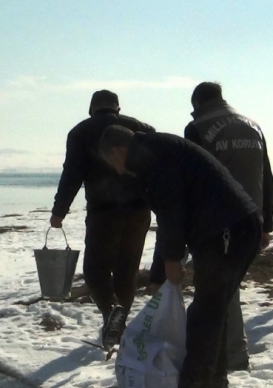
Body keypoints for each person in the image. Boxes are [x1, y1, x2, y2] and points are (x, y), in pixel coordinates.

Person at [100, 125, 264, 388]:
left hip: (228, 230)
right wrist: (158, 276)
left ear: (119, 150)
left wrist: (172, 261)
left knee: (204, 314)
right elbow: (166, 220)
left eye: (113, 162)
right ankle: (214, 382)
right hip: (233, 228)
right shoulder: (152, 153)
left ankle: (195, 382)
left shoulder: (152, 158)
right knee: (212, 310)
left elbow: (172, 211)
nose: (118, 170)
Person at [177, 81, 273, 372]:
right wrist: (267, 224)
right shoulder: (253, 126)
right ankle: (232, 354)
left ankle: (233, 356)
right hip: (251, 218)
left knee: (218, 289)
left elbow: (190, 180)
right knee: (229, 287)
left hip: (218, 220)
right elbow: (266, 175)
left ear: (197, 104)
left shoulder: (198, 129)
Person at [50, 89, 155, 348]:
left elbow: (72, 173)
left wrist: (59, 210)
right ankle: (118, 328)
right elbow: (156, 170)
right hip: (139, 211)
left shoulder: (80, 132)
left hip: (103, 212)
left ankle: (110, 313)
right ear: (117, 108)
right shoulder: (143, 130)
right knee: (126, 270)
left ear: (92, 108)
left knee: (94, 271)